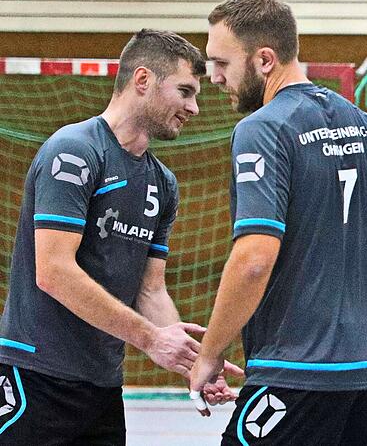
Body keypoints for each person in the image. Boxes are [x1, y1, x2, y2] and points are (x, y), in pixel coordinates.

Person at [190, 0, 367, 445]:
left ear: (264, 59)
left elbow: (253, 260)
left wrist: (209, 353)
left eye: (221, 62)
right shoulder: (366, 126)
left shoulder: (263, 129)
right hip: (366, 380)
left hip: (295, 373)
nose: (214, 76)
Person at [0, 29, 239, 444]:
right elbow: (53, 271)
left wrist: (190, 361)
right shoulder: (74, 150)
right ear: (142, 80)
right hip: (36, 382)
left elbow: (151, 291)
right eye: (184, 91)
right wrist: (150, 339)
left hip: (104, 390)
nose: (194, 108)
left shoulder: (163, 183)